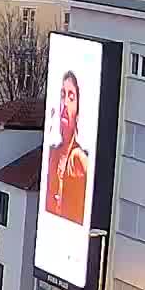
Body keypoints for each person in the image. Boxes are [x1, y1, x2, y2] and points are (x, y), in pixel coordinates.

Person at [45, 70, 91, 224]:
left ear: (78, 109)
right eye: (63, 95)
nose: (65, 103)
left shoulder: (79, 159)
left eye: (71, 97)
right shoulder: (52, 153)